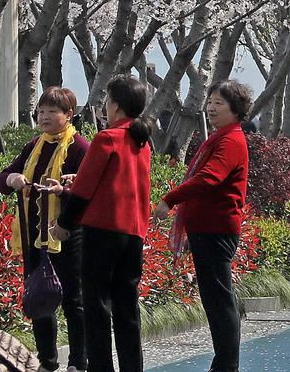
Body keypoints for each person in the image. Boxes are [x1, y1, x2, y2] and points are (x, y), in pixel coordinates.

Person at [61, 76, 153, 372]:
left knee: (96, 306)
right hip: (133, 232)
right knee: (127, 308)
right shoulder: (141, 141)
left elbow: (83, 191)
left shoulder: (106, 138)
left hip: (102, 231)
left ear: (116, 105)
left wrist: (63, 224)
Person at [0, 87, 88, 371]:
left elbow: (88, 195)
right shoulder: (34, 145)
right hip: (35, 235)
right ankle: (47, 360)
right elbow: (1, 179)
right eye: (41, 111)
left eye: (52, 111)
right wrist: (12, 179)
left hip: (68, 234)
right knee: (39, 296)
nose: (44, 117)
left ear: (68, 115)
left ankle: (78, 361)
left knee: (73, 299)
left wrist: (63, 191)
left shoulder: (80, 148)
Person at [161, 80, 250, 372]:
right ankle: (223, 362)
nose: (211, 108)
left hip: (216, 229)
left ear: (235, 109)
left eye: (218, 103)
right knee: (215, 299)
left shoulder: (230, 140)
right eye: (210, 102)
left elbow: (210, 178)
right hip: (206, 229)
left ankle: (227, 364)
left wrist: (170, 199)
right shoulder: (219, 137)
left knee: (220, 300)